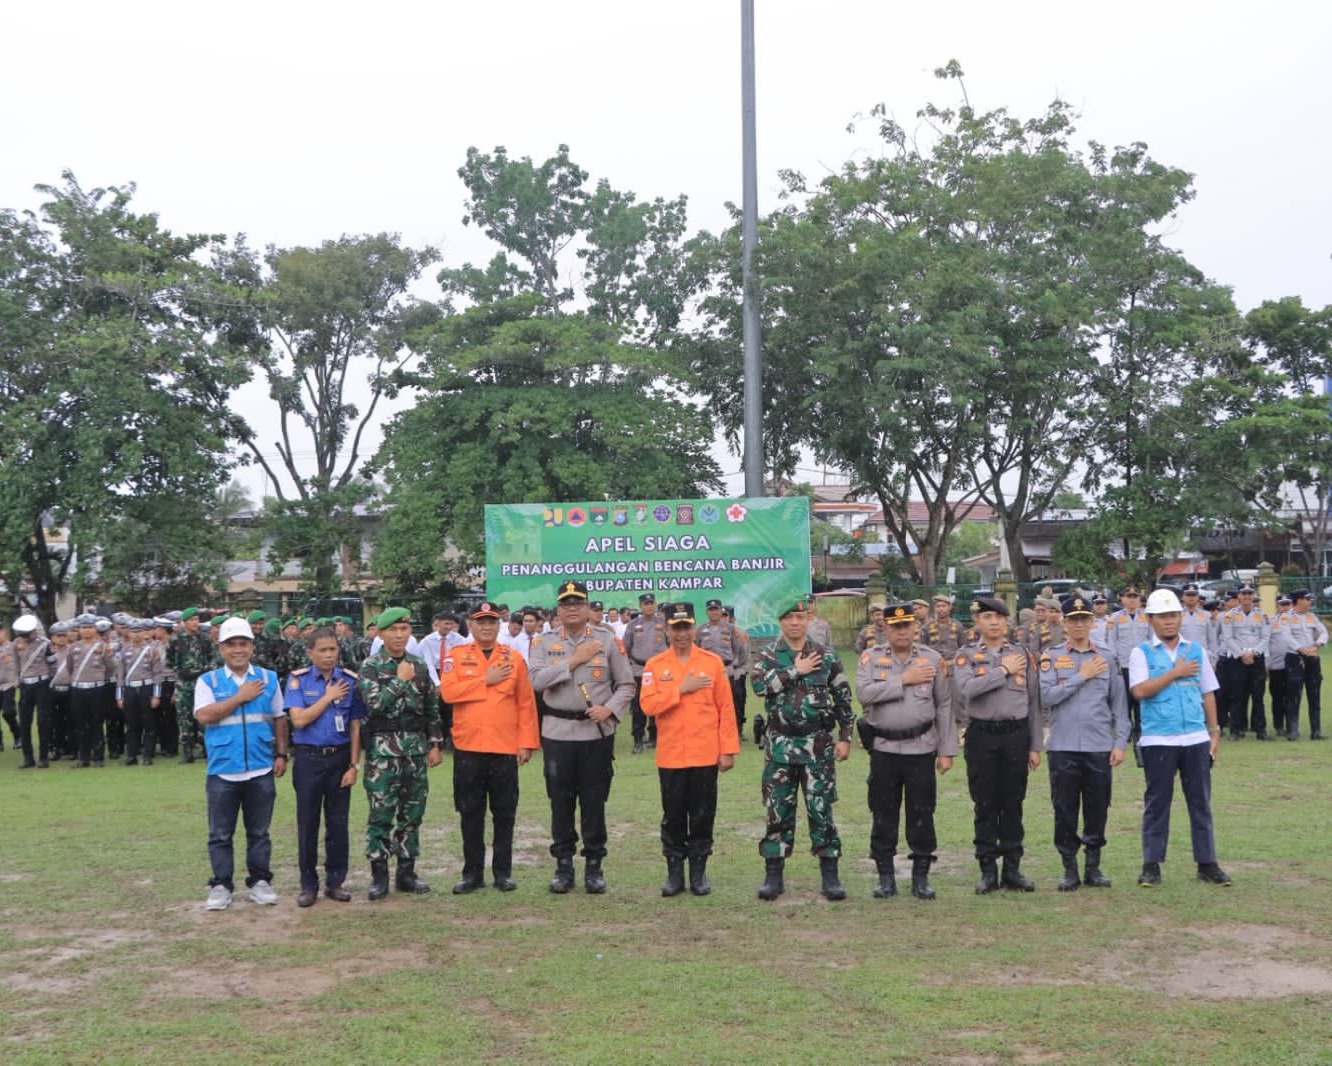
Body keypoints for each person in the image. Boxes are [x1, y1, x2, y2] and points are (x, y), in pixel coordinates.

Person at [529, 580, 634, 894]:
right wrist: (574, 660)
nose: (572, 608)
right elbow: (535, 680)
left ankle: (593, 865)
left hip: (595, 734)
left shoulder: (607, 640)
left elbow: (627, 684)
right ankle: (563, 865)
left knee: (593, 802)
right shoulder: (544, 642)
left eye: (578, 602)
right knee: (560, 802)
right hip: (558, 733)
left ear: (588, 608)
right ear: (558, 610)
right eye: (566, 603)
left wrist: (610, 710)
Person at [751, 597, 855, 902]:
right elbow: (758, 686)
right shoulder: (769, 656)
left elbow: (844, 700)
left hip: (817, 748)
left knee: (820, 810)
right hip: (780, 747)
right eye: (788, 618)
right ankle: (774, 875)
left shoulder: (825, 656)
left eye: (800, 617)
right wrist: (794, 670)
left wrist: (846, 737)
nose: (795, 623)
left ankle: (830, 874)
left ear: (808, 619)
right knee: (777, 811)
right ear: (780, 621)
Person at [1128, 588, 1231, 887]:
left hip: (1195, 738)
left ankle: (1207, 863)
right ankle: (1151, 865)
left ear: (1180, 617)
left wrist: (1214, 731)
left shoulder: (1196, 650)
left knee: (1200, 802)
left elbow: (1208, 692)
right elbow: (1139, 691)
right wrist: (1175, 672)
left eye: (1173, 615)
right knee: (1157, 803)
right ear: (1151, 620)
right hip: (1159, 738)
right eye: (1162, 616)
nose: (1169, 621)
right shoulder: (1142, 653)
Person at [855, 602, 955, 900]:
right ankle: (886, 877)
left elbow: (945, 704)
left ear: (916, 628)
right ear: (884, 628)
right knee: (883, 812)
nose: (901, 631)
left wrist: (946, 749)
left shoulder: (933, 659)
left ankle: (921, 877)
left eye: (907, 625)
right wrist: (903, 680)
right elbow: (864, 693)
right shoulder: (870, 658)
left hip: (921, 748)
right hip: (884, 748)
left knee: (922, 812)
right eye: (895, 626)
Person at [640, 601, 740, 897]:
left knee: (702, 815)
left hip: (705, 754)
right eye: (676, 628)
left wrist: (727, 750)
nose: (681, 633)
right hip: (671, 756)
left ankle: (698, 873)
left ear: (694, 628)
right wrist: (681, 689)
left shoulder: (712, 662)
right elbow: (648, 704)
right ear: (666, 630)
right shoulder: (655, 665)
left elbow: (726, 708)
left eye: (686, 627)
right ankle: (674, 874)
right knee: (672, 817)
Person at [440, 603, 539, 894]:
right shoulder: (457, 657)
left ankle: (502, 873)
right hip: (469, 748)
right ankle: (472, 874)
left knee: (504, 813)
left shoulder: (514, 658)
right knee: (470, 812)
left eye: (492, 622)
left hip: (504, 747)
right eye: (481, 622)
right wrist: (485, 680)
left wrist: (527, 743)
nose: (486, 627)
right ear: (470, 624)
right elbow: (448, 693)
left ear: (499, 625)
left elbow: (525, 703)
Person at [194, 616, 289, 910]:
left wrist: (282, 754)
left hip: (261, 768)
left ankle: (260, 881)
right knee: (220, 834)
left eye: (243, 644)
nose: (238, 650)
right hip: (223, 770)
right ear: (221, 648)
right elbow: (205, 715)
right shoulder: (207, 681)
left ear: (252, 646)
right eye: (231, 644)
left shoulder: (269, 678)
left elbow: (279, 717)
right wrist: (240, 697)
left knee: (259, 832)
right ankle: (221, 885)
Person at [952, 595, 1043, 893]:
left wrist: (1035, 745)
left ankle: (1013, 869)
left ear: (1006, 621)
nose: (994, 623)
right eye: (987, 617)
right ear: (977, 621)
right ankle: (987, 869)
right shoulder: (966, 655)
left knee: (1013, 803)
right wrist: (1002, 670)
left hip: (1016, 735)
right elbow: (966, 690)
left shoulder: (1023, 654)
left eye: (999, 618)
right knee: (985, 803)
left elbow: (1033, 702)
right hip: (982, 735)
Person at [1038, 594, 1130, 891]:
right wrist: (1081, 675)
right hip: (1063, 745)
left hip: (1098, 745)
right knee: (1064, 809)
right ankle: (1069, 868)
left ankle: (1093, 866)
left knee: (1097, 807)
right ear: (1064, 623)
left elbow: (1119, 705)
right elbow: (1047, 697)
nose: (1078, 624)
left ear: (1092, 622)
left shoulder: (1107, 657)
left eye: (1083, 619)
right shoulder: (1051, 656)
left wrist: (1120, 742)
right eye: (1072, 620)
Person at [357, 607, 444, 900]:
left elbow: (432, 708)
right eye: (392, 630)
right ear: (381, 634)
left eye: (403, 629)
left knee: (412, 812)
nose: (398, 635)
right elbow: (374, 704)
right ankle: (378, 874)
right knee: (381, 813)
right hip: (383, 753)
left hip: (415, 752)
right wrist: (399, 680)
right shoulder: (370, 666)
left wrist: (434, 744)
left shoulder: (419, 665)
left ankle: (407, 872)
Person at [284, 627, 366, 907]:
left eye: (333, 649)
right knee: (308, 823)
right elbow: (299, 720)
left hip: (340, 759)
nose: (329, 655)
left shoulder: (350, 680)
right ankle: (308, 885)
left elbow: (355, 726)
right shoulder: (298, 681)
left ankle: (336, 881)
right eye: (323, 650)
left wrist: (354, 764)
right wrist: (328, 696)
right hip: (308, 759)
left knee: (338, 824)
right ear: (310, 652)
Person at [55, 614, 118, 767]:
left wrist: (99, 678)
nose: (86, 630)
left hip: (97, 689)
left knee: (96, 722)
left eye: (89, 627)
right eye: (83, 627)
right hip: (78, 689)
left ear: (95, 629)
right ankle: (83, 757)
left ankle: (98, 757)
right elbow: (70, 667)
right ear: (79, 630)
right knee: (80, 723)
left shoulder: (103, 647)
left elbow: (111, 667)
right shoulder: (73, 647)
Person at [1218, 585, 1271, 740]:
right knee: (1237, 696)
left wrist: (1253, 653)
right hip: (1237, 658)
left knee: (1258, 696)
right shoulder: (1230, 615)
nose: (1247, 596)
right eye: (1244, 593)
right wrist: (1242, 654)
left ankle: (1261, 731)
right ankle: (1235, 730)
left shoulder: (1262, 615)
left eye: (1250, 593)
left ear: (1253, 595)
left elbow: (1265, 637)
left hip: (1256, 658)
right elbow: (1228, 638)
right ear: (1239, 596)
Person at [168, 607, 218, 764]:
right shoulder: (176, 640)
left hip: (201, 682)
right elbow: (169, 659)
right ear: (184, 622)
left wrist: (205, 672)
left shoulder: (204, 639)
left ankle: (207, 750)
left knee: (204, 717)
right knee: (184, 718)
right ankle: (187, 752)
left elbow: (213, 658)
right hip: (184, 684)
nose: (195, 623)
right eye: (191, 620)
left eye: (197, 619)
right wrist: (180, 670)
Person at [115, 618, 166, 766]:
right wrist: (119, 696)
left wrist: (156, 695)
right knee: (132, 724)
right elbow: (120, 675)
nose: (136, 635)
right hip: (130, 689)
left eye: (139, 631)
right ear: (128, 633)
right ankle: (131, 755)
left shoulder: (151, 651)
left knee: (148, 723)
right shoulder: (124, 651)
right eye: (133, 631)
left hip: (147, 688)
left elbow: (157, 674)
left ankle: (148, 756)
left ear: (144, 633)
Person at [622, 592, 669, 753]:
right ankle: (638, 739)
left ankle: (656, 737)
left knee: (660, 704)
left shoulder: (664, 623)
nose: (649, 606)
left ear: (655, 605)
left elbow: (670, 645)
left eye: (651, 603)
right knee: (638, 705)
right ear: (641, 606)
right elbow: (626, 647)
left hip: (660, 670)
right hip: (639, 669)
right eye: (646, 604)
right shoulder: (633, 624)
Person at [695, 598, 747, 738]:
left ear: (721, 610)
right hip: (707, 672)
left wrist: (733, 665)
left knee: (727, 703)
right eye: (711, 610)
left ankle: (730, 731)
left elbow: (737, 649)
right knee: (708, 702)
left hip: (726, 670)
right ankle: (709, 730)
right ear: (707, 612)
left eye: (716, 609)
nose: (714, 612)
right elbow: (696, 649)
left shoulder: (730, 629)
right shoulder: (700, 629)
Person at [10, 615, 56, 769]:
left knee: (43, 721)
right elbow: (15, 664)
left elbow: (53, 665)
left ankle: (43, 758)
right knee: (25, 723)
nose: (25, 637)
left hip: (42, 684)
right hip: (25, 686)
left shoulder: (45, 644)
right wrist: (17, 680)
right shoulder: (17, 644)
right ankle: (28, 758)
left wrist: (49, 682)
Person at [1281, 589, 1327, 740]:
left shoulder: (1311, 617)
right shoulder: (1286, 617)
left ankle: (1316, 731)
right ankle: (1293, 731)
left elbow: (1324, 632)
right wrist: (1301, 649)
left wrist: (1317, 644)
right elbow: (1286, 636)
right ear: (1299, 600)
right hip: (1295, 659)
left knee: (1314, 695)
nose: (1310, 602)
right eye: (1307, 599)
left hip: (1312, 658)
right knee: (1294, 696)